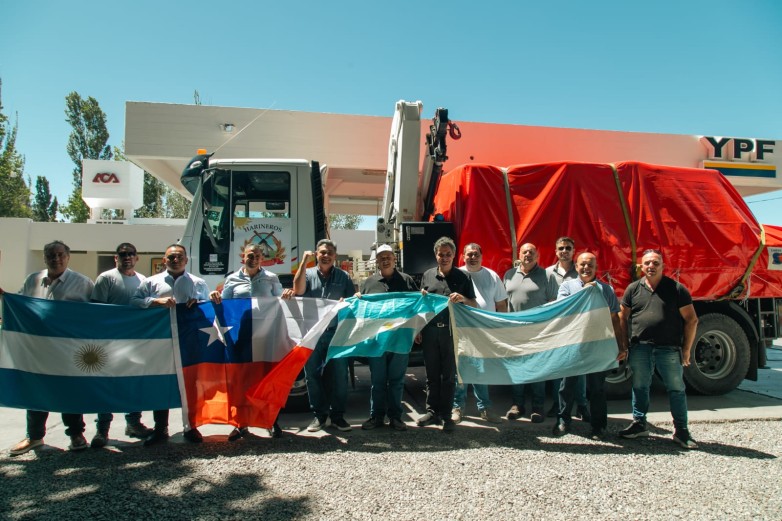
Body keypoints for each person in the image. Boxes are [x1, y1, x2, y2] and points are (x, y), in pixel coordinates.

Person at [6, 240, 94, 455]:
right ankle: (35, 437)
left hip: (67, 351)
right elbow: (20, 304)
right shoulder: (33, 280)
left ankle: (76, 434)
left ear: (68, 256)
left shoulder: (82, 283)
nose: (56, 259)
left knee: (70, 392)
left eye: (60, 255)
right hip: (37, 350)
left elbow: (93, 315)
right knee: (36, 391)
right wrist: (5, 297)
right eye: (51, 255)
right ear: (45, 258)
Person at [618, 249, 699, 449]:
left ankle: (681, 431)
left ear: (663, 266)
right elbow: (622, 317)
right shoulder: (633, 289)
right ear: (641, 267)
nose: (651, 266)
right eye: (647, 263)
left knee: (676, 389)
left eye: (655, 263)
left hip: (668, 349)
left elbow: (691, 319)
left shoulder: (676, 289)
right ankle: (639, 424)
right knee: (640, 387)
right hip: (640, 349)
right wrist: (624, 344)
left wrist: (686, 349)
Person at [130, 244, 210, 446]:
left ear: (186, 260)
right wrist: (154, 302)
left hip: (188, 340)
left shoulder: (198, 282)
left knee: (190, 384)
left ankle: (191, 427)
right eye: (171, 257)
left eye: (179, 257)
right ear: (164, 260)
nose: (175, 260)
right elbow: (134, 302)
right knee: (162, 383)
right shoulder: (151, 282)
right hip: (161, 340)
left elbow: (208, 305)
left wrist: (198, 301)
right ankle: (160, 429)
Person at [209, 243, 284, 440]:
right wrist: (214, 296)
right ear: (244, 256)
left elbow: (281, 301)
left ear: (262, 258)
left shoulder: (271, 278)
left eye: (258, 255)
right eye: (251, 255)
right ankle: (240, 424)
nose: (254, 258)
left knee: (266, 379)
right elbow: (224, 306)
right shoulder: (232, 279)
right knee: (241, 381)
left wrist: (289, 294)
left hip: (265, 336)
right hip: (241, 337)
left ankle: (271, 421)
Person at [552, 252, 628, 439]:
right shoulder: (567, 287)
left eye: (590, 265)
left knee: (597, 388)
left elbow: (614, 319)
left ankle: (598, 426)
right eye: (582, 265)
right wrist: (587, 291)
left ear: (596, 267)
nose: (586, 268)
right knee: (566, 386)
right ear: (576, 267)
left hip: (598, 346)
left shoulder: (606, 289)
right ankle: (563, 421)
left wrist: (621, 345)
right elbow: (563, 312)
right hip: (573, 345)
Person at [89, 243, 154, 448]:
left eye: (131, 254)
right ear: (115, 258)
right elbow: (96, 310)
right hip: (109, 341)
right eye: (123, 254)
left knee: (133, 383)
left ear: (137, 258)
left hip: (135, 342)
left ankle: (133, 423)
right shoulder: (106, 278)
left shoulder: (143, 280)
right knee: (107, 384)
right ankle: (102, 430)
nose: (127, 257)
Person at [291, 239, 356, 433]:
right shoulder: (308, 274)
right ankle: (319, 416)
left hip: (336, 334)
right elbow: (298, 291)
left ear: (335, 256)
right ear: (316, 255)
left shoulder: (343, 277)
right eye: (322, 252)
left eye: (329, 252)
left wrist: (347, 302)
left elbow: (352, 302)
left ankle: (337, 416)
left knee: (339, 376)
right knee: (312, 376)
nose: (325, 255)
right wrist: (303, 262)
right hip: (312, 335)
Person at [417, 236, 478, 432]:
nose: (444, 258)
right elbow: (421, 305)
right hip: (430, 332)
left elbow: (474, 304)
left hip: (452, 333)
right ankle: (431, 411)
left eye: (448, 254)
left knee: (449, 376)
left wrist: (463, 299)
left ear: (454, 256)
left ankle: (446, 415)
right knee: (432, 375)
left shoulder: (463, 277)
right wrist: (418, 328)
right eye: (441, 254)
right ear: (436, 255)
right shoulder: (427, 276)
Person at [357, 244, 418, 432]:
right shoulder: (368, 283)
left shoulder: (407, 280)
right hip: (377, 341)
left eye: (388, 257)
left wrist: (418, 331)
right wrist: (357, 298)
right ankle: (376, 416)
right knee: (378, 381)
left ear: (394, 259)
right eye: (381, 257)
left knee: (397, 381)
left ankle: (395, 417)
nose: (385, 260)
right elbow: (362, 310)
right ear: (377, 261)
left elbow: (417, 307)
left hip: (400, 340)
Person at [503, 243, 558, 423]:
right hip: (514, 331)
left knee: (537, 370)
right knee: (516, 369)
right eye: (525, 252)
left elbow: (553, 303)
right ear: (519, 254)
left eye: (532, 252)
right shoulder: (509, 275)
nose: (528, 254)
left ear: (538, 255)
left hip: (538, 331)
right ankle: (517, 405)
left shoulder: (547, 276)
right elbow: (504, 302)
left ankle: (537, 407)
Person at [452, 243, 506, 424]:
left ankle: (485, 408)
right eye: (469, 254)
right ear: (463, 256)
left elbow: (501, 305)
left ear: (482, 256)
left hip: (484, 332)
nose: (472, 257)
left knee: (481, 371)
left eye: (476, 254)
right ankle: (457, 407)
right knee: (460, 371)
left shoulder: (492, 276)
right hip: (462, 331)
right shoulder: (456, 274)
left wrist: (501, 328)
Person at [545, 236, 589, 421]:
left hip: (578, 328)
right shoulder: (547, 273)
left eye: (568, 248)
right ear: (556, 251)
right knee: (558, 368)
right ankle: (558, 403)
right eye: (561, 248)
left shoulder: (580, 272)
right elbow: (546, 299)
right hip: (557, 328)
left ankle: (581, 405)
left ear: (573, 251)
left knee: (580, 369)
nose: (564, 251)